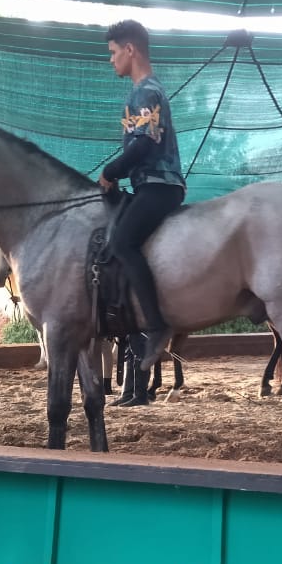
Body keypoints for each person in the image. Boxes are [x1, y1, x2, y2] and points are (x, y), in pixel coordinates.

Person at [98, 19, 185, 372]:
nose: (111, 60)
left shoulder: (146, 92)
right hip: (148, 184)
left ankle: (156, 324)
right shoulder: (142, 91)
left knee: (122, 243)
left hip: (159, 185)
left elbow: (143, 145)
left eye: (114, 52)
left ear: (130, 50)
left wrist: (110, 172)